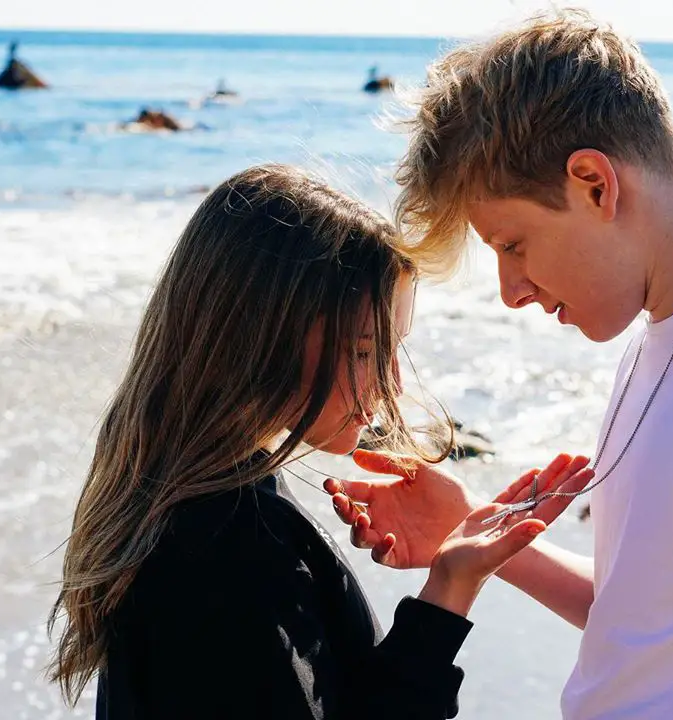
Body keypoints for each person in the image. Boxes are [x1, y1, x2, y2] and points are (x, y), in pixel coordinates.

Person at [329, 9, 673, 719]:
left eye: (513, 244)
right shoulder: (671, 331)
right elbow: (651, 625)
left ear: (595, 183)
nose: (511, 291)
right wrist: (469, 531)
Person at [46, 163, 594, 719]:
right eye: (363, 351)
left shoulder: (203, 497)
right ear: (256, 341)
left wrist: (450, 577)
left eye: (393, 349)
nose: (391, 385)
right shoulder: (223, 553)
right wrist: (448, 594)